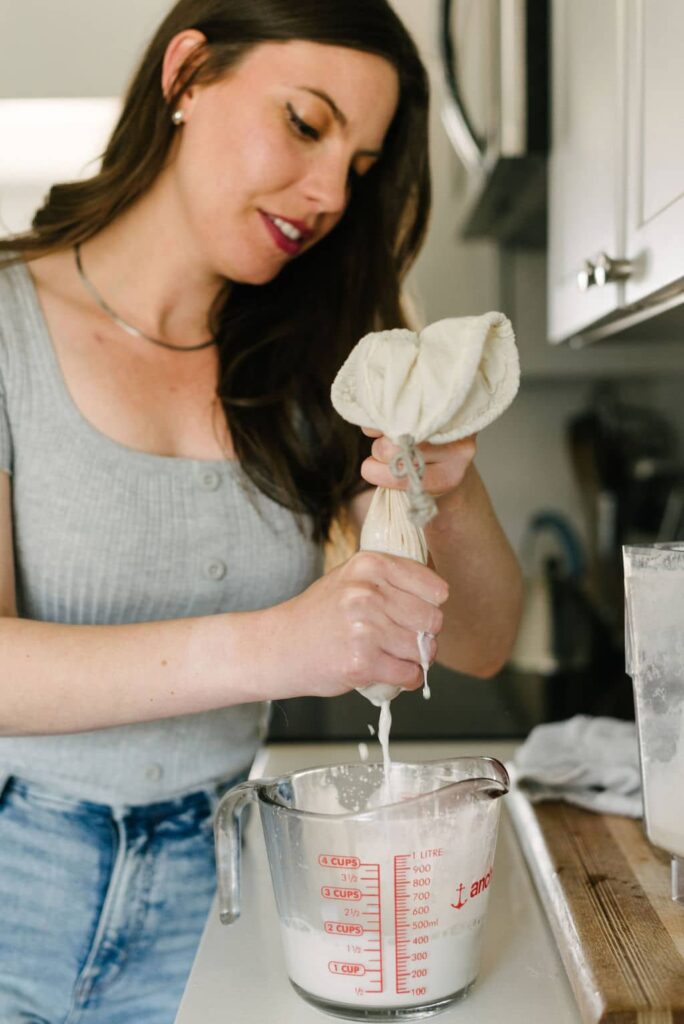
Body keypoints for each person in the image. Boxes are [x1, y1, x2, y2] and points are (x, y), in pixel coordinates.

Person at [0, 0, 522, 1020]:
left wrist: (445, 492)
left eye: (361, 166)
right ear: (189, 75)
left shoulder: (324, 357)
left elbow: (487, 640)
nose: (329, 192)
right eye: (305, 122)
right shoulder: (6, 324)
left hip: (234, 881)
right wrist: (281, 646)